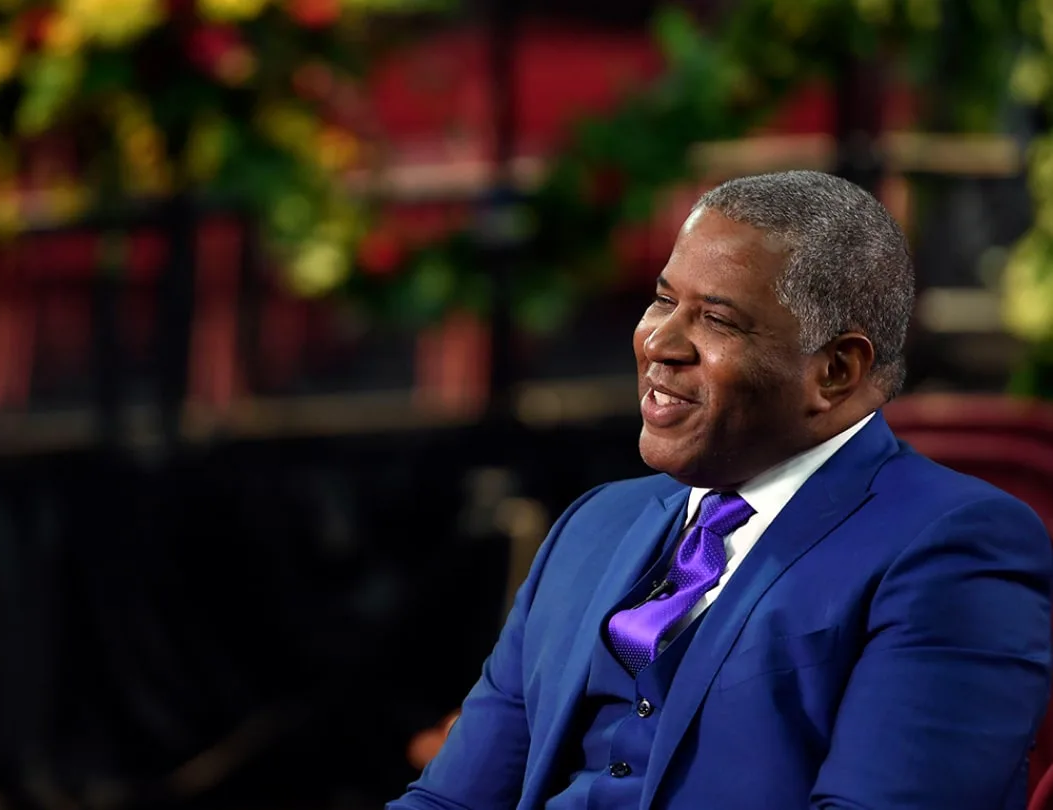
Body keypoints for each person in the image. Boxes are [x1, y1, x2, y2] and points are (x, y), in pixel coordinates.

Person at [386, 170, 1053, 809]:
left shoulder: (956, 546)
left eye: (718, 321)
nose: (659, 342)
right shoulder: (593, 525)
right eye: (662, 299)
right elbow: (450, 799)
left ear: (835, 370)